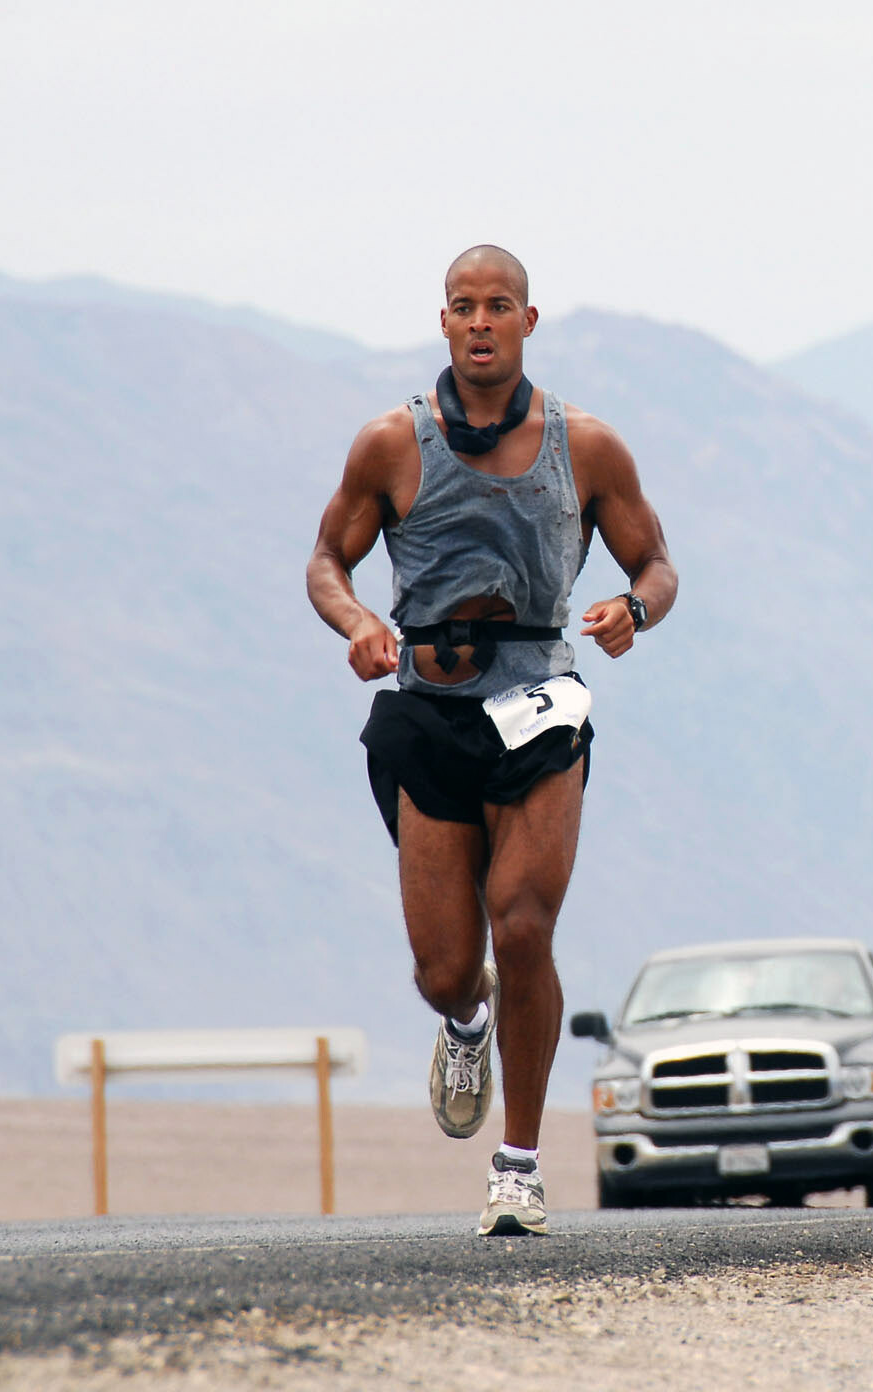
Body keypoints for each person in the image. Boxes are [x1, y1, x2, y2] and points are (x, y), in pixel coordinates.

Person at [306, 245, 677, 1235]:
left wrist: (631, 608)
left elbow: (656, 564)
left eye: (497, 306)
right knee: (443, 968)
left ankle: (516, 1167)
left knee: (523, 923)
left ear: (527, 320)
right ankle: (463, 1022)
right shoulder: (392, 444)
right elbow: (326, 561)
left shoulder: (585, 447)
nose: (480, 322)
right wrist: (358, 627)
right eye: (463, 306)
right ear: (443, 323)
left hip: (540, 702)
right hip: (428, 706)